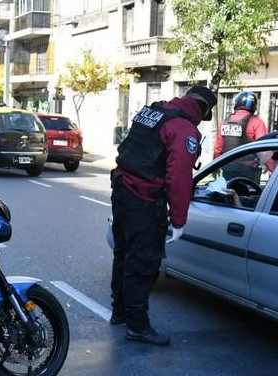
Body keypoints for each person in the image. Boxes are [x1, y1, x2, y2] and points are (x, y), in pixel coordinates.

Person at [110, 86, 217, 346]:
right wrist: (179, 220)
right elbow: (179, 179)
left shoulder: (153, 111)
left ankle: (120, 312)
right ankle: (137, 326)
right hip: (144, 201)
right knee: (143, 262)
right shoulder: (183, 129)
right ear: (203, 109)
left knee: (123, 254)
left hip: (122, 190)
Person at [214, 91, 272, 181]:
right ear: (254, 106)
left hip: (228, 170)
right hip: (249, 173)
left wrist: (214, 168)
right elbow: (265, 151)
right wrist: (273, 168)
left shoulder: (224, 123)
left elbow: (218, 149)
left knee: (229, 194)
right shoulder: (256, 122)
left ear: (237, 103)